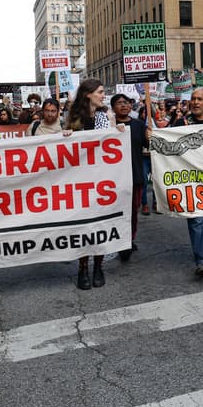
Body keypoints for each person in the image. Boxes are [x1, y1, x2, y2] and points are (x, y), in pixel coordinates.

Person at [65, 78, 114, 289]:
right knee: (83, 227)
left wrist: (118, 130)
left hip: (103, 180)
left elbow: (111, 143)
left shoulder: (105, 116)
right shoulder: (73, 119)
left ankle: (98, 266)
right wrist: (66, 136)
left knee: (101, 224)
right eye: (100, 91)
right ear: (88, 94)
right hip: (81, 182)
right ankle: (83, 267)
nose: (103, 95)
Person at [173, 87, 203, 276]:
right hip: (190, 181)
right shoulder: (181, 122)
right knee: (196, 219)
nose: (196, 102)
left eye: (200, 99)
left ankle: (202, 251)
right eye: (193, 99)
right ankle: (202, 260)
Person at [111, 93, 148, 262]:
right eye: (119, 103)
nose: (123, 105)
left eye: (126, 102)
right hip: (114, 180)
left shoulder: (139, 125)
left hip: (135, 177)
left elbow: (150, 144)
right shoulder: (108, 127)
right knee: (117, 213)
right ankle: (120, 240)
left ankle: (129, 240)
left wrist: (151, 134)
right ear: (113, 108)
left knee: (133, 211)